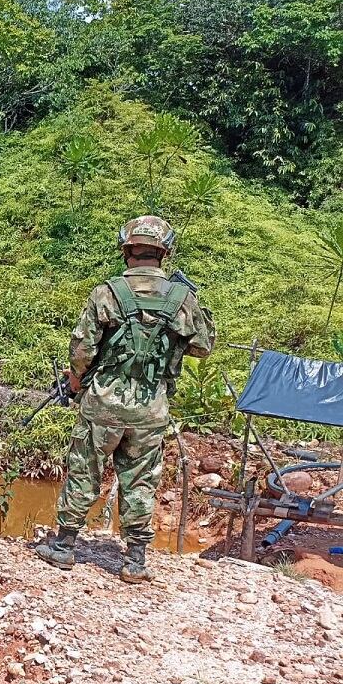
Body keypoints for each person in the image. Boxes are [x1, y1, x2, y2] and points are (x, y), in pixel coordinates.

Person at [36, 215, 216, 583]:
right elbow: (202, 346)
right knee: (141, 479)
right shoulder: (183, 298)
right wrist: (190, 304)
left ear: (127, 249)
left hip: (103, 402)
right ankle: (134, 560)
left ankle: (65, 546)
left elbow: (82, 349)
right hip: (151, 406)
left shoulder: (108, 292)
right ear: (164, 252)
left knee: (85, 467)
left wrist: (74, 382)